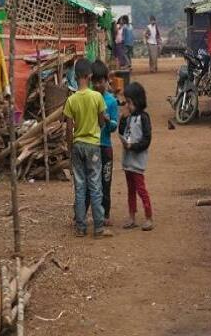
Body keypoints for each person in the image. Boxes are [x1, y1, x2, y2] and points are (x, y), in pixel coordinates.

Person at [64, 59, 113, 238]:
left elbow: (69, 128)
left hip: (77, 145)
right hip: (93, 146)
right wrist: (102, 119)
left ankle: (81, 227)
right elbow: (101, 122)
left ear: (76, 77)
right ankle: (98, 227)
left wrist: (70, 149)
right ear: (89, 76)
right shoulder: (97, 97)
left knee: (80, 187)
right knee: (95, 185)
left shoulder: (71, 100)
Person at [85, 60, 119, 225]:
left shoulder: (111, 101)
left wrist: (107, 121)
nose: (98, 85)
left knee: (105, 182)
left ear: (107, 80)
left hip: (105, 147)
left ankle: (105, 215)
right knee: (87, 182)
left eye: (101, 81)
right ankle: (81, 213)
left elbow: (114, 126)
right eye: (95, 81)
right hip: (90, 146)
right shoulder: (87, 97)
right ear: (91, 81)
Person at [119, 82, 154, 231]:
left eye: (129, 102)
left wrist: (133, 147)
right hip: (128, 160)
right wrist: (122, 119)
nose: (127, 105)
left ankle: (149, 216)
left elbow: (146, 140)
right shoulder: (129, 117)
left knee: (141, 189)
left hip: (137, 161)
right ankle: (132, 216)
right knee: (130, 190)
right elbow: (121, 131)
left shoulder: (143, 118)